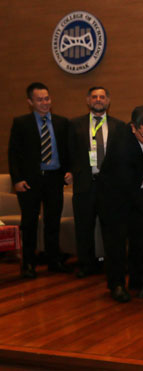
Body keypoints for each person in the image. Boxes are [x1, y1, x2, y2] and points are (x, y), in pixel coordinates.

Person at [98, 105, 143, 302]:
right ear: (133, 128)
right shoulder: (121, 146)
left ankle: (138, 280)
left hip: (140, 193)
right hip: (114, 197)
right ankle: (117, 285)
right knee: (116, 243)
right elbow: (127, 187)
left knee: (139, 240)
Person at [8, 82, 73, 278]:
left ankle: (53, 261)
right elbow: (13, 153)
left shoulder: (62, 123)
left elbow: (68, 151)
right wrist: (17, 180)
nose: (45, 103)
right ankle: (28, 264)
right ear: (30, 102)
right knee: (29, 224)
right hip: (30, 182)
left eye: (47, 98)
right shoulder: (21, 123)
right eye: (40, 99)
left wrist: (69, 171)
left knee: (52, 222)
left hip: (54, 180)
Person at [68, 87, 125, 278]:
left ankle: (114, 266)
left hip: (110, 186)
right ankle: (86, 265)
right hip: (85, 184)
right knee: (83, 227)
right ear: (88, 100)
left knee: (112, 228)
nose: (98, 100)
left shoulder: (120, 126)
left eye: (102, 97)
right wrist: (69, 172)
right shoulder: (75, 124)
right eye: (94, 97)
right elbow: (68, 152)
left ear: (108, 101)